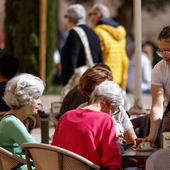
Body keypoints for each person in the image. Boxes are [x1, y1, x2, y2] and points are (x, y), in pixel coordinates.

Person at [52, 81, 122, 170]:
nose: (112, 115)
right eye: (115, 111)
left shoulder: (66, 117)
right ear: (111, 104)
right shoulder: (105, 120)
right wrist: (117, 150)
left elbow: (55, 151)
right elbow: (112, 163)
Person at [0, 73, 45, 170]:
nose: (40, 102)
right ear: (24, 99)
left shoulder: (10, 120)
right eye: (36, 98)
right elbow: (38, 151)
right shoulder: (11, 122)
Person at [61, 4, 103, 88]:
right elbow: (100, 59)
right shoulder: (93, 33)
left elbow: (72, 60)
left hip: (79, 84)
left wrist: (66, 82)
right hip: (93, 82)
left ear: (69, 18)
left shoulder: (74, 33)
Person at [88, 3, 128, 90]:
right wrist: (123, 83)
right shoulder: (120, 33)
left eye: (90, 14)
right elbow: (124, 60)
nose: (89, 17)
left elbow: (95, 59)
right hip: (117, 81)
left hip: (103, 81)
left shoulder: (97, 32)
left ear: (98, 15)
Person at [144, 25, 170, 145]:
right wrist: (153, 133)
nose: (165, 54)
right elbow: (157, 104)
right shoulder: (159, 69)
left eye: (168, 50)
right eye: (161, 50)